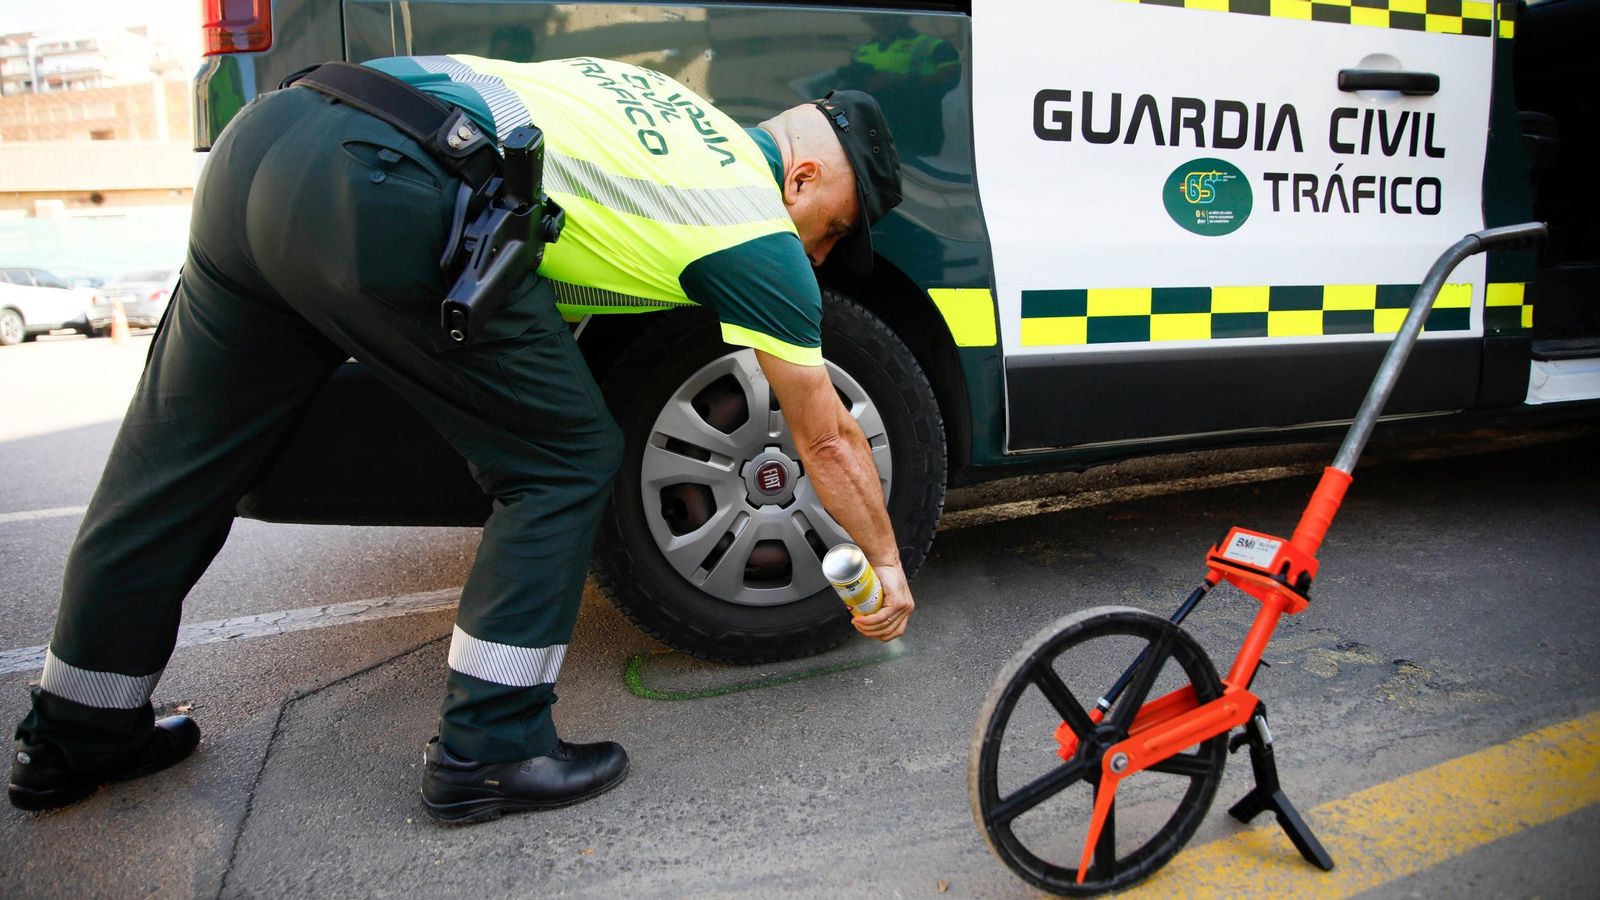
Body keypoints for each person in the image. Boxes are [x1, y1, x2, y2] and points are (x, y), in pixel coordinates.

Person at [8, 54, 913, 824]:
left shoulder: (669, 107)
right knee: (567, 458)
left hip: (269, 141)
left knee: (173, 465)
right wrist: (887, 562)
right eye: (833, 231)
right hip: (383, 183)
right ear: (801, 181)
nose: (821, 257)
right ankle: (492, 746)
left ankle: (77, 734)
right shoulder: (752, 227)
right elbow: (828, 440)